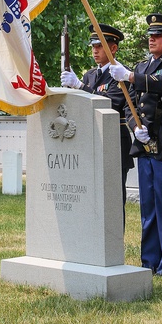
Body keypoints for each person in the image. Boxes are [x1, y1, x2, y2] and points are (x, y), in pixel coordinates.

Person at [108, 13, 162, 277]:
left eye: (158, 35)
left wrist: (130, 76)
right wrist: (135, 127)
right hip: (146, 144)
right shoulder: (142, 66)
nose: (152, 39)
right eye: (150, 36)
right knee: (149, 208)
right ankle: (149, 262)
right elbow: (130, 104)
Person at [60, 24, 135, 226]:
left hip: (113, 142)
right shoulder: (90, 75)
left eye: (100, 46)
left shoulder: (120, 74)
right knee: (91, 195)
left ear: (113, 48)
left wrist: (80, 87)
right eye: (93, 46)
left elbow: (111, 102)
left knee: (112, 196)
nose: (95, 50)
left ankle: (114, 239)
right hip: (90, 141)